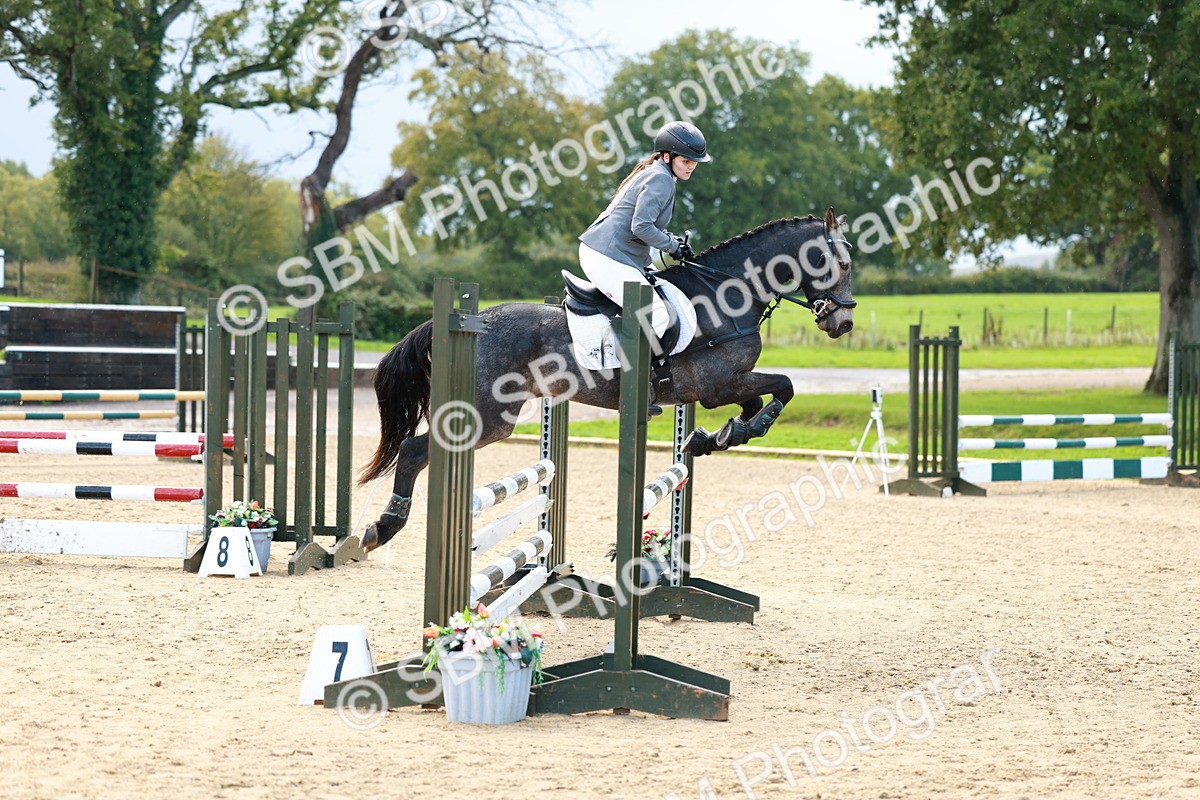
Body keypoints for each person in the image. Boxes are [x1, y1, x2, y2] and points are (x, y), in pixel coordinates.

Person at [577, 120, 711, 342]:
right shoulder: (661, 178)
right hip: (607, 257)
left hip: (617, 254)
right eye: (686, 160)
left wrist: (671, 239)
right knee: (658, 315)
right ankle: (627, 375)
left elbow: (648, 223)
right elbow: (641, 227)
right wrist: (673, 246)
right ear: (667, 156)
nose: (691, 166)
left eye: (694, 162)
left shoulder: (659, 173)